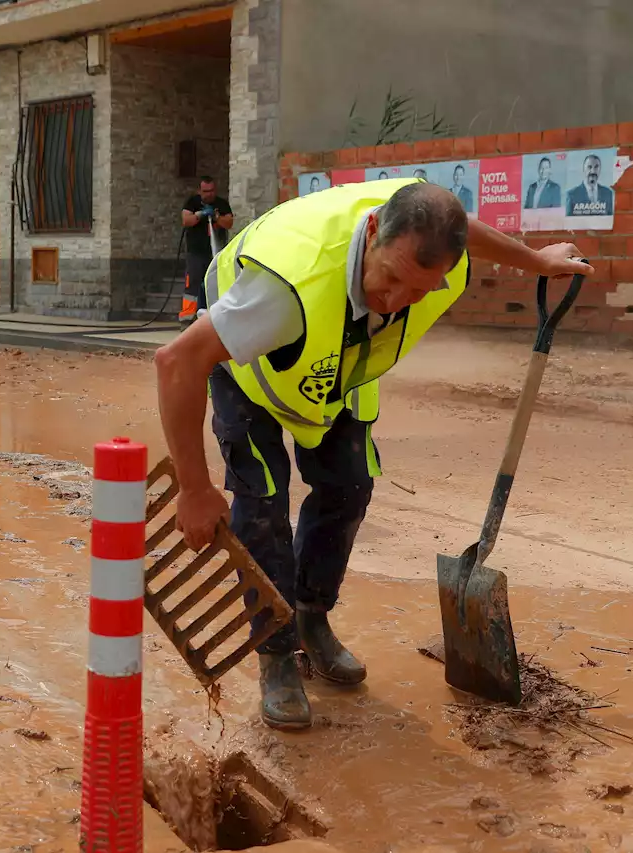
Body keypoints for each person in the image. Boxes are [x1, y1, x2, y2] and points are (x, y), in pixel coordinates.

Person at [153, 179, 592, 730]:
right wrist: (194, 489)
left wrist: (534, 260)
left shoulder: (432, 253)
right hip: (251, 367)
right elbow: (176, 363)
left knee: (350, 484)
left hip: (339, 361)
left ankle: (311, 616)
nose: (395, 302)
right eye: (389, 279)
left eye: (418, 292)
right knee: (261, 499)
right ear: (371, 232)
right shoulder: (282, 293)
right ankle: (277, 654)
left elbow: (459, 227)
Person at [180, 176, 235, 324]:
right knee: (193, 285)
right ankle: (187, 319)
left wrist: (216, 217)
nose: (208, 194)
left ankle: (214, 318)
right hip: (196, 253)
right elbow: (186, 220)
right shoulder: (193, 203)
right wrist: (200, 214)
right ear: (200, 191)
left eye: (211, 191)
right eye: (205, 191)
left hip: (216, 254)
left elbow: (229, 222)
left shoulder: (221, 204)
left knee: (215, 284)